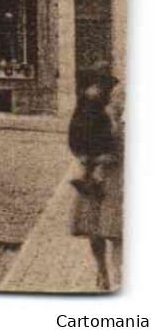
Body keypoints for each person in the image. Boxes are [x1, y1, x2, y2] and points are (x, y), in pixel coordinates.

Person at [68, 70, 123, 290]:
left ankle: (119, 277)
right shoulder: (90, 111)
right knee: (94, 228)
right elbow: (75, 139)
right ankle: (102, 270)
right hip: (93, 177)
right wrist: (86, 157)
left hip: (119, 179)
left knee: (118, 231)